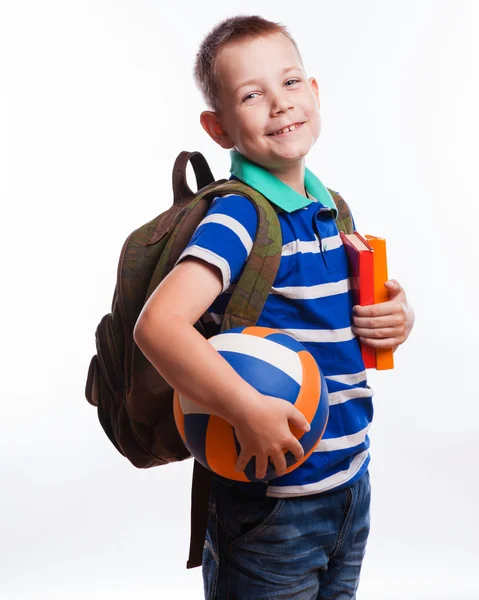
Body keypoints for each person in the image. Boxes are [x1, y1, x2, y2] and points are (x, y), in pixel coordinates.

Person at [133, 14, 415, 600]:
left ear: (314, 93)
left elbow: (343, 326)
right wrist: (246, 408)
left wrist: (397, 319)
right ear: (220, 128)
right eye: (251, 95)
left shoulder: (331, 207)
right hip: (271, 507)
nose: (280, 105)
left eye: (290, 83)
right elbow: (158, 326)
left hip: (349, 485)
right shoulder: (239, 217)